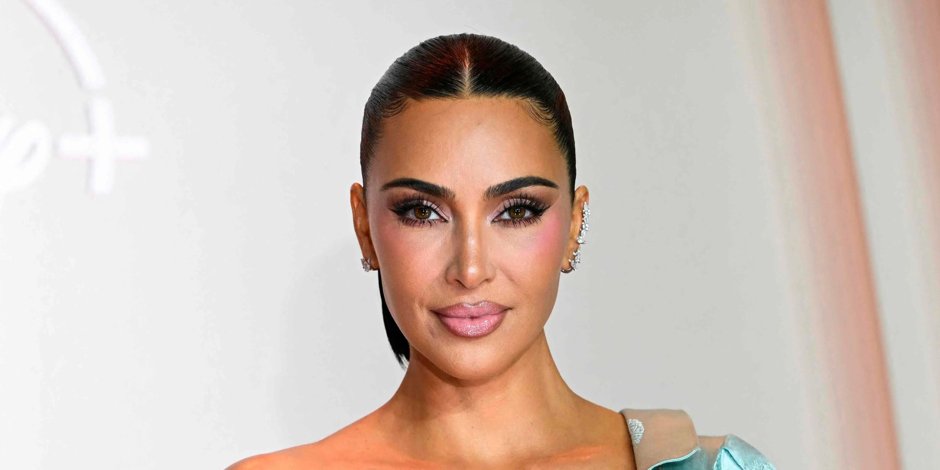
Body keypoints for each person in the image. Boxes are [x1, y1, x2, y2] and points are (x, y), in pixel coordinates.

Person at [228, 33, 775, 469]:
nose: (470, 269)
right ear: (364, 226)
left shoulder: (706, 465)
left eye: (516, 211)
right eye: (422, 212)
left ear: (574, 223)